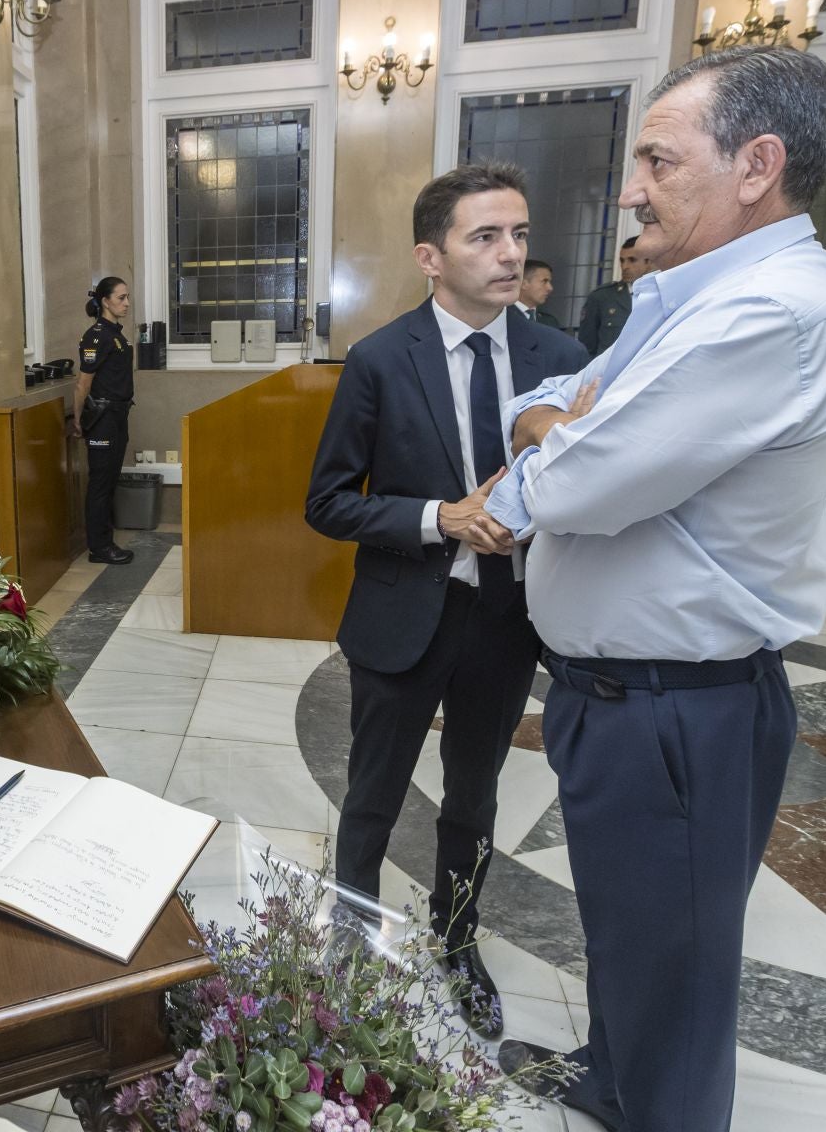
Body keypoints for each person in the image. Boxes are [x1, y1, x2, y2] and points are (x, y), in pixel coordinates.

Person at [484, 46, 826, 1131]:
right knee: (632, 933)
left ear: (757, 165)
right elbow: (555, 399)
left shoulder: (768, 313)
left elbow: (570, 482)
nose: (632, 188)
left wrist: (551, 442)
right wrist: (557, 424)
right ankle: (613, 1081)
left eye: (658, 159)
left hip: (678, 707)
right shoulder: (697, 294)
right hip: (626, 695)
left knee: (679, 970)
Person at [305, 164, 588, 1038]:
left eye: (520, 235)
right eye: (485, 237)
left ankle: (457, 940)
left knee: (474, 793)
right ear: (431, 256)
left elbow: (587, 483)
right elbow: (328, 502)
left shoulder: (562, 359)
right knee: (373, 791)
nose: (511, 255)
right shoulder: (381, 360)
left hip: (506, 621)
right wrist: (441, 518)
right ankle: (351, 937)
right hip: (404, 614)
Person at [69, 277, 136, 565]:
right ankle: (99, 547)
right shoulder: (96, 336)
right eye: (121, 298)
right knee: (100, 483)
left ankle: (105, 541)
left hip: (119, 415)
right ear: (105, 301)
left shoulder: (116, 334)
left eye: (127, 297)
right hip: (103, 418)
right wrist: (78, 419)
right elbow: (83, 383)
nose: (127, 303)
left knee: (109, 481)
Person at [574, 236, 648, 355]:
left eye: (632, 260)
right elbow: (587, 348)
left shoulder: (660, 295)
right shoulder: (603, 297)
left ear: (649, 261)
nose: (625, 266)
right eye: (622, 261)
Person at [515, 260, 562, 329]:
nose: (550, 288)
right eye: (544, 281)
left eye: (549, 282)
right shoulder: (502, 316)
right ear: (523, 284)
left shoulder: (549, 322)